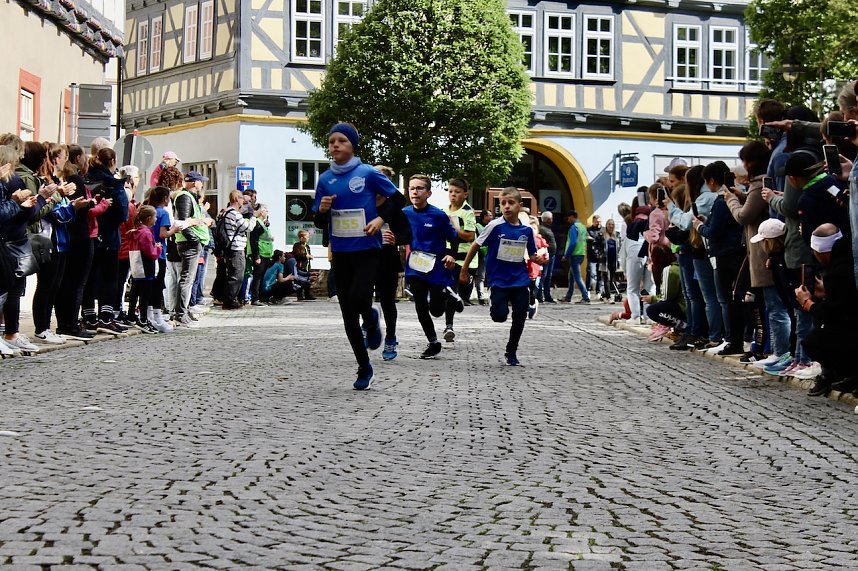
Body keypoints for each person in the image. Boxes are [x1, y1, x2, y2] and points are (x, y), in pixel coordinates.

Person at [312, 122, 397, 390]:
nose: (335, 145)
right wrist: (323, 210)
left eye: (342, 141)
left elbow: (397, 200)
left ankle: (371, 317)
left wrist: (380, 219)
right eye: (331, 141)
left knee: (360, 297)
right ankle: (364, 367)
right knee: (348, 314)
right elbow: (316, 221)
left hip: (367, 250)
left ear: (353, 146)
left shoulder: (368, 173)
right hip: (341, 252)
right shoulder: (325, 179)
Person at [460, 187, 545, 366]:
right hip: (499, 280)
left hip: (520, 279)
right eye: (503, 203)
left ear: (520, 205)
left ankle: (511, 351)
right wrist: (464, 269)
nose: (506, 207)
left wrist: (539, 259)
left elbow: (531, 254)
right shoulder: (494, 226)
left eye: (511, 203)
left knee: (519, 317)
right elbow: (475, 245)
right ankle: (495, 302)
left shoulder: (527, 230)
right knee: (500, 316)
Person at [402, 174, 462, 359]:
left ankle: (448, 296)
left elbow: (454, 239)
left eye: (419, 188)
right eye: (412, 188)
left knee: (436, 311)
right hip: (415, 266)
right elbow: (400, 235)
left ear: (428, 193)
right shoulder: (404, 213)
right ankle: (433, 342)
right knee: (420, 306)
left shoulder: (438, 215)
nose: (415, 192)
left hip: (436, 267)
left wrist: (451, 255)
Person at [797, 224, 858, 396]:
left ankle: (849, 373)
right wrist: (827, 291)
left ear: (822, 251)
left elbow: (835, 314)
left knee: (814, 341)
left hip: (851, 329)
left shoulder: (837, 272)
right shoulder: (848, 257)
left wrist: (808, 304)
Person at [372, 165, 411, 361]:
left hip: (387, 260)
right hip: (365, 259)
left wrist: (396, 238)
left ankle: (390, 337)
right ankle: (369, 325)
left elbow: (407, 234)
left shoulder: (394, 210)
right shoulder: (364, 205)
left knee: (387, 302)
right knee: (360, 297)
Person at [442, 178, 478, 342]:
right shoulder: (444, 211)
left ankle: (460, 300)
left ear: (465, 194)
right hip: (450, 255)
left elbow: (471, 236)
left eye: (457, 192)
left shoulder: (467, 212)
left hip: (466, 258)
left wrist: (455, 229)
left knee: (461, 294)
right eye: (450, 191)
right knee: (450, 291)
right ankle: (449, 326)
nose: (453, 195)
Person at [172, 171, 208, 325]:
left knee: (188, 279)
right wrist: (195, 241)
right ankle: (180, 314)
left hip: (190, 243)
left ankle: (183, 311)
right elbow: (183, 223)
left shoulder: (189, 197)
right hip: (189, 244)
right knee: (187, 279)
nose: (202, 184)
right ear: (195, 182)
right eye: (201, 181)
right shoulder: (185, 197)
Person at [127, 205, 162, 334]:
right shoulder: (146, 233)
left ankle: (131, 315)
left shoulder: (135, 231)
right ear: (148, 218)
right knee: (145, 295)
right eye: (155, 217)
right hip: (146, 268)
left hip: (136, 266)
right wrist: (158, 248)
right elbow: (150, 253)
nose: (156, 219)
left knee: (135, 292)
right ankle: (143, 319)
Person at [220, 190, 257, 309]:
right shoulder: (234, 213)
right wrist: (253, 217)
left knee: (233, 274)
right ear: (236, 199)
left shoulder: (229, 212)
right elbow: (248, 227)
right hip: (236, 248)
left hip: (232, 248)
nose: (244, 201)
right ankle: (230, 301)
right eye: (241, 198)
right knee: (237, 275)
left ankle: (230, 300)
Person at [561, 209, 589, 303]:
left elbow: (572, 243)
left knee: (577, 277)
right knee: (571, 276)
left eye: (569, 218)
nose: (568, 220)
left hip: (574, 254)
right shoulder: (582, 227)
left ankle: (585, 297)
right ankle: (568, 297)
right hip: (581, 253)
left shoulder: (574, 227)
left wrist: (566, 255)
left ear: (572, 217)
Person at [475, 209, 494, 305]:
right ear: (484, 217)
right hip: (482, 255)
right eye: (489, 215)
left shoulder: (493, 226)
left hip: (492, 254)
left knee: (491, 276)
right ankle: (481, 298)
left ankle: (491, 298)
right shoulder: (478, 227)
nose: (491, 217)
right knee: (481, 277)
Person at [537, 211, 557, 303]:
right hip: (546, 256)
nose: (552, 220)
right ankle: (539, 296)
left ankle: (547, 295)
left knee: (548, 277)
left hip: (551, 256)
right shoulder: (542, 229)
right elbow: (542, 243)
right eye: (550, 219)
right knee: (543, 276)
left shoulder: (548, 228)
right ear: (546, 220)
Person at [585, 215, 604, 295]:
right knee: (590, 272)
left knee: (600, 273)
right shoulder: (589, 230)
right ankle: (588, 290)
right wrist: (597, 239)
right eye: (597, 222)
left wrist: (594, 239)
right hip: (591, 254)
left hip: (601, 255)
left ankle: (599, 291)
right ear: (593, 222)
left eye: (600, 221)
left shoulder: (603, 230)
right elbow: (586, 238)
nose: (598, 223)